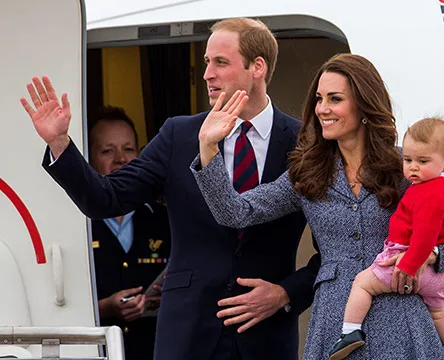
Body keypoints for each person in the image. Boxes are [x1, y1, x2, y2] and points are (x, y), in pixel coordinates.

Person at [20, 17, 320, 360]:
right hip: (187, 334)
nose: (208, 73)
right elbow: (105, 198)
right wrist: (60, 143)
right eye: (207, 62)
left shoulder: (305, 144)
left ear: (257, 67)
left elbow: (336, 250)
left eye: (220, 62)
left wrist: (285, 293)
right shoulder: (179, 136)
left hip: (266, 338)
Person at [192, 53, 444, 359]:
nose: (323, 109)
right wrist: (208, 147)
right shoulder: (307, 173)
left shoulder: (407, 165)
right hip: (334, 325)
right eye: (319, 99)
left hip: (404, 320)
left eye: (335, 99)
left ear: (363, 106)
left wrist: (433, 254)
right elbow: (236, 212)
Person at [329, 117, 444, 360]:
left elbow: (424, 237)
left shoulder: (427, 194)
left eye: (422, 161)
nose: (413, 167)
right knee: (438, 315)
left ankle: (350, 331)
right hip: (439, 275)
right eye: (408, 160)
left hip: (407, 261)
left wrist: (408, 266)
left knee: (363, 284)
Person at [88, 106, 171, 360]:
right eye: (107, 151)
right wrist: (105, 308)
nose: (120, 159)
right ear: (90, 159)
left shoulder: (166, 220)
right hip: (96, 352)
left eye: (128, 149)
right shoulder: (77, 224)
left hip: (156, 350)